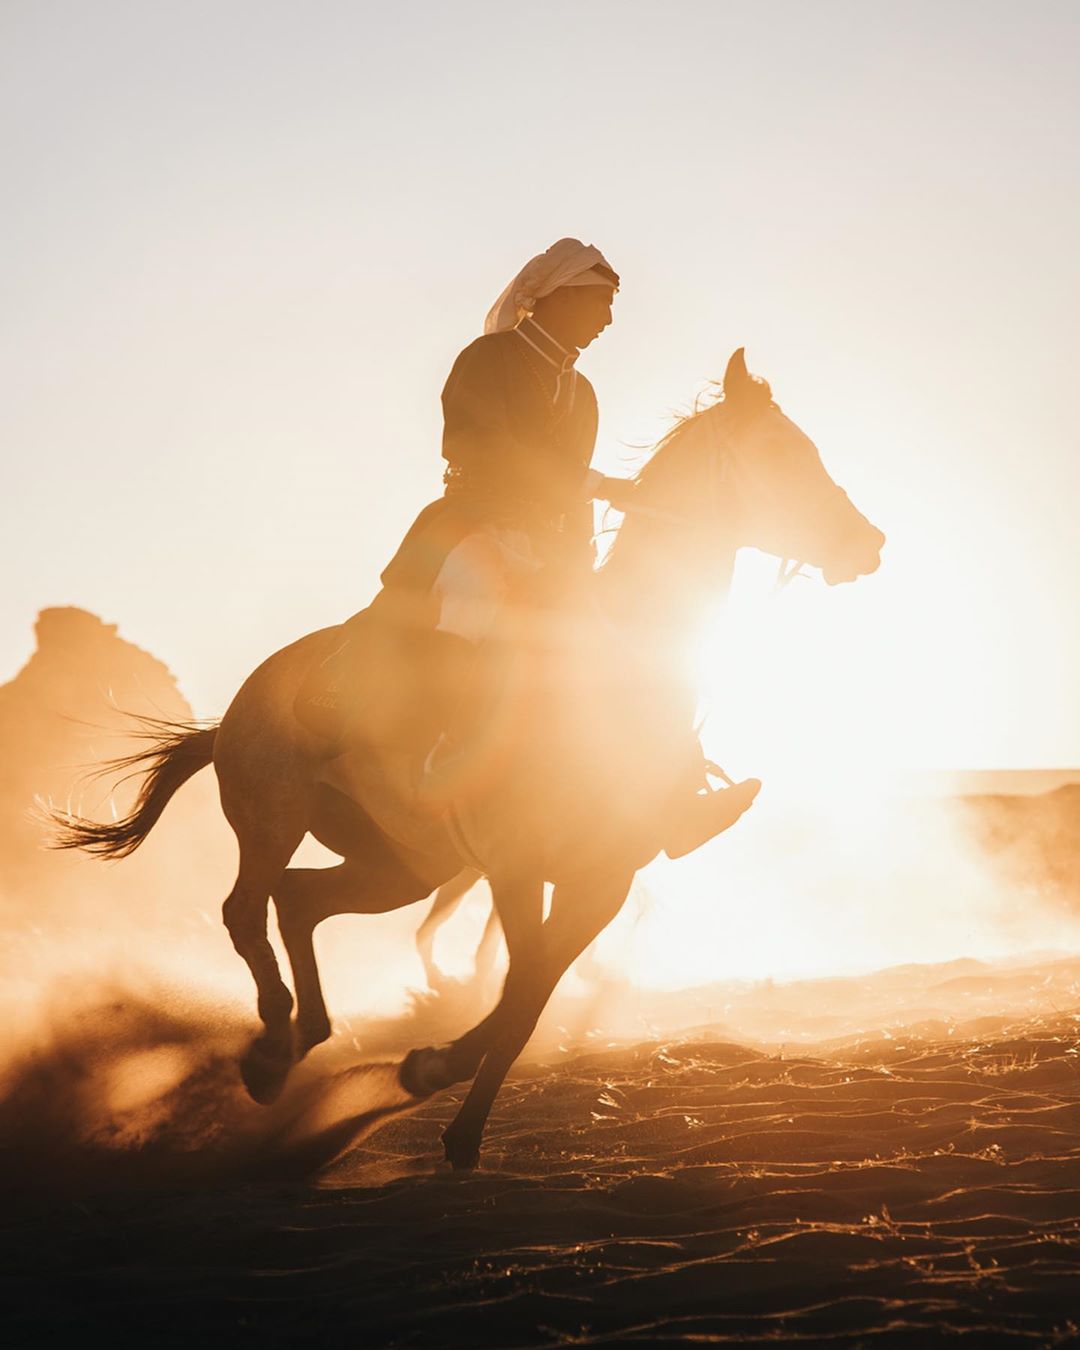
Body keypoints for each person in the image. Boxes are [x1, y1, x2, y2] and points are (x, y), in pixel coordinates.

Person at [298, 238, 758, 853]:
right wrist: (598, 486)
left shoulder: (584, 392)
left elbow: (564, 483)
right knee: (474, 603)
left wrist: (576, 553)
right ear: (556, 298)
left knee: (620, 645)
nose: (609, 320)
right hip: (470, 525)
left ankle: (674, 797)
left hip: (553, 543)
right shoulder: (487, 359)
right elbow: (480, 448)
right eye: (599, 303)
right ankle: (430, 749)